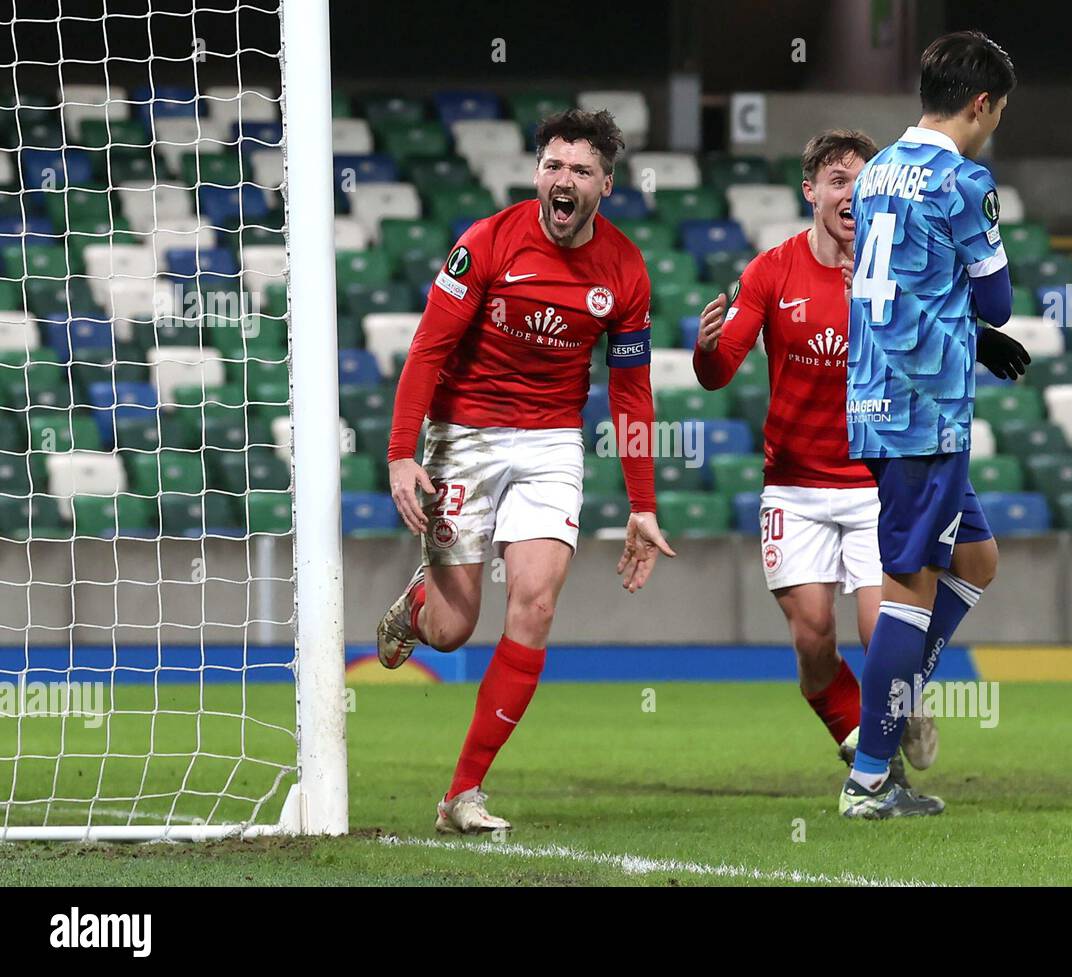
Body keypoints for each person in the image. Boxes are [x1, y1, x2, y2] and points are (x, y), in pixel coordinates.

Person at [379, 109, 674, 834]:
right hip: (465, 434)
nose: (563, 179)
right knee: (453, 628)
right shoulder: (487, 242)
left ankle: (462, 793)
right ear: (537, 173)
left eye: (580, 169)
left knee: (536, 604)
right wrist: (400, 453)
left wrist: (644, 502)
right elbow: (425, 349)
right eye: (552, 165)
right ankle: (418, 608)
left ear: (605, 182)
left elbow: (631, 389)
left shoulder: (625, 270)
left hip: (550, 445)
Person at [692, 129, 938, 786]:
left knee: (878, 630)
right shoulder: (771, 271)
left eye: (863, 180)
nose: (850, 194)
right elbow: (720, 373)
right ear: (811, 191)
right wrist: (707, 349)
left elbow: (928, 370)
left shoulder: (901, 272)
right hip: (795, 489)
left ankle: (878, 749)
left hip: (872, 486)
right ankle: (861, 729)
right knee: (812, 638)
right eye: (837, 180)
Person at [839, 31, 1031, 819]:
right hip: (926, 412)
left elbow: (896, 280)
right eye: (998, 112)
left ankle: (885, 711)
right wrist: (978, 320)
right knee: (909, 588)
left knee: (977, 560)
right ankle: (870, 773)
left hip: (876, 397)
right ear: (981, 104)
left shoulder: (878, 168)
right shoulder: (964, 180)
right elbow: (998, 301)